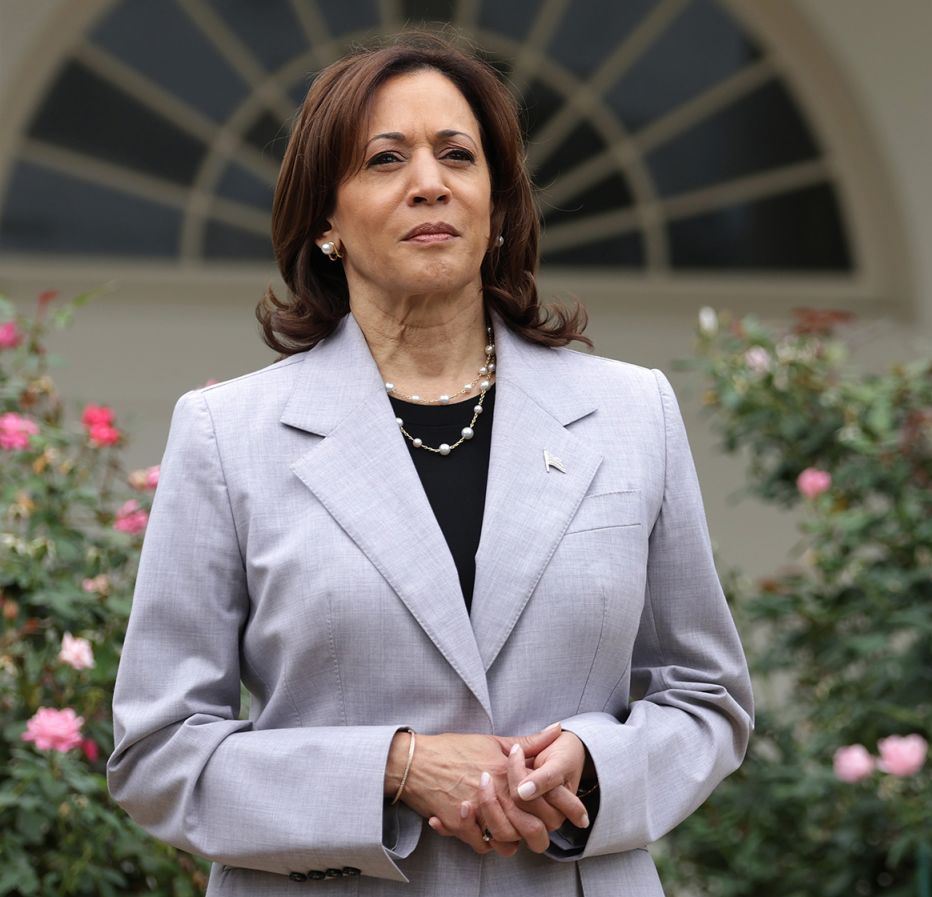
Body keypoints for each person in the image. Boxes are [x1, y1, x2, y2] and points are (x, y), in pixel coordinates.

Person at [107, 31, 753, 897]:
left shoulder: (633, 414)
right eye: (384, 159)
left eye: (458, 154)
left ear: (498, 204)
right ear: (327, 219)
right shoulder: (230, 435)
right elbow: (159, 754)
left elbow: (706, 697)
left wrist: (596, 765)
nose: (430, 182)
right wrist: (394, 767)